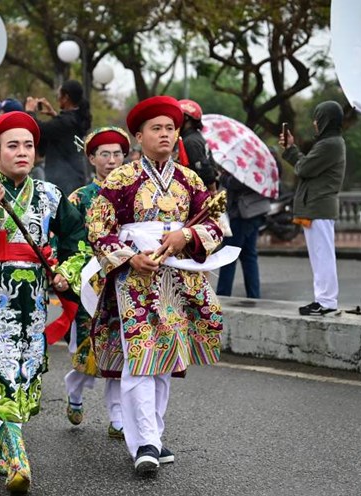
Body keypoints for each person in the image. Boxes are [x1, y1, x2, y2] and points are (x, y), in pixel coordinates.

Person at [0, 111, 86, 493]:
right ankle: (18, 461)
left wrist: (66, 273)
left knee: (24, 374)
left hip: (35, 299)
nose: (22, 152)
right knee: (0, 370)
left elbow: (77, 239)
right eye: (12, 145)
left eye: (28, 145)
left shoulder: (51, 195)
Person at [87, 96, 226, 475]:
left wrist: (188, 235)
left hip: (178, 279)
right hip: (136, 279)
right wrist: (130, 257)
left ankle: (155, 435)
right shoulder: (121, 179)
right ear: (139, 136)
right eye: (156, 128)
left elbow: (217, 227)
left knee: (165, 361)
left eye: (170, 128)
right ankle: (144, 442)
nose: (164, 134)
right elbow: (98, 228)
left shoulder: (190, 179)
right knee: (142, 357)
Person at [62, 127, 129, 440]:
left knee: (120, 351)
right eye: (105, 154)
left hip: (125, 282)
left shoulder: (133, 193)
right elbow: (70, 243)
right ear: (91, 158)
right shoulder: (79, 198)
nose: (112, 160)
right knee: (88, 354)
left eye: (117, 154)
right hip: (91, 284)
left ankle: (117, 416)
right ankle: (74, 390)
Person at [279, 101, 346, 316]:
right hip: (317, 206)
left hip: (320, 207)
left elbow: (304, 168)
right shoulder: (328, 143)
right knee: (319, 256)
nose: (314, 123)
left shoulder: (330, 144)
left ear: (326, 120)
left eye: (318, 118)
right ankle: (323, 300)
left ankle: (326, 301)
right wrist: (291, 149)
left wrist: (292, 151)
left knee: (322, 255)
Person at [25, 79, 92, 195]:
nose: (57, 98)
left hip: (64, 182)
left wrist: (29, 111)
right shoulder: (77, 119)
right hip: (75, 178)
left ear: (65, 97)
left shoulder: (66, 122)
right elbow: (63, 129)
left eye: (58, 95)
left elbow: (38, 128)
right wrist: (54, 114)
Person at [215, 171, 270, 298]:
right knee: (249, 255)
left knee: (229, 254)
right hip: (255, 210)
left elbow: (235, 183)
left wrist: (222, 176)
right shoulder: (262, 161)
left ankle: (223, 294)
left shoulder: (246, 162)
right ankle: (254, 295)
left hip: (242, 213)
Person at [177, 99, 217, 191]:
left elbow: (204, 168)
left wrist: (212, 191)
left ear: (186, 118)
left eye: (179, 116)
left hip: (199, 193)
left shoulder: (191, 142)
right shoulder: (195, 137)